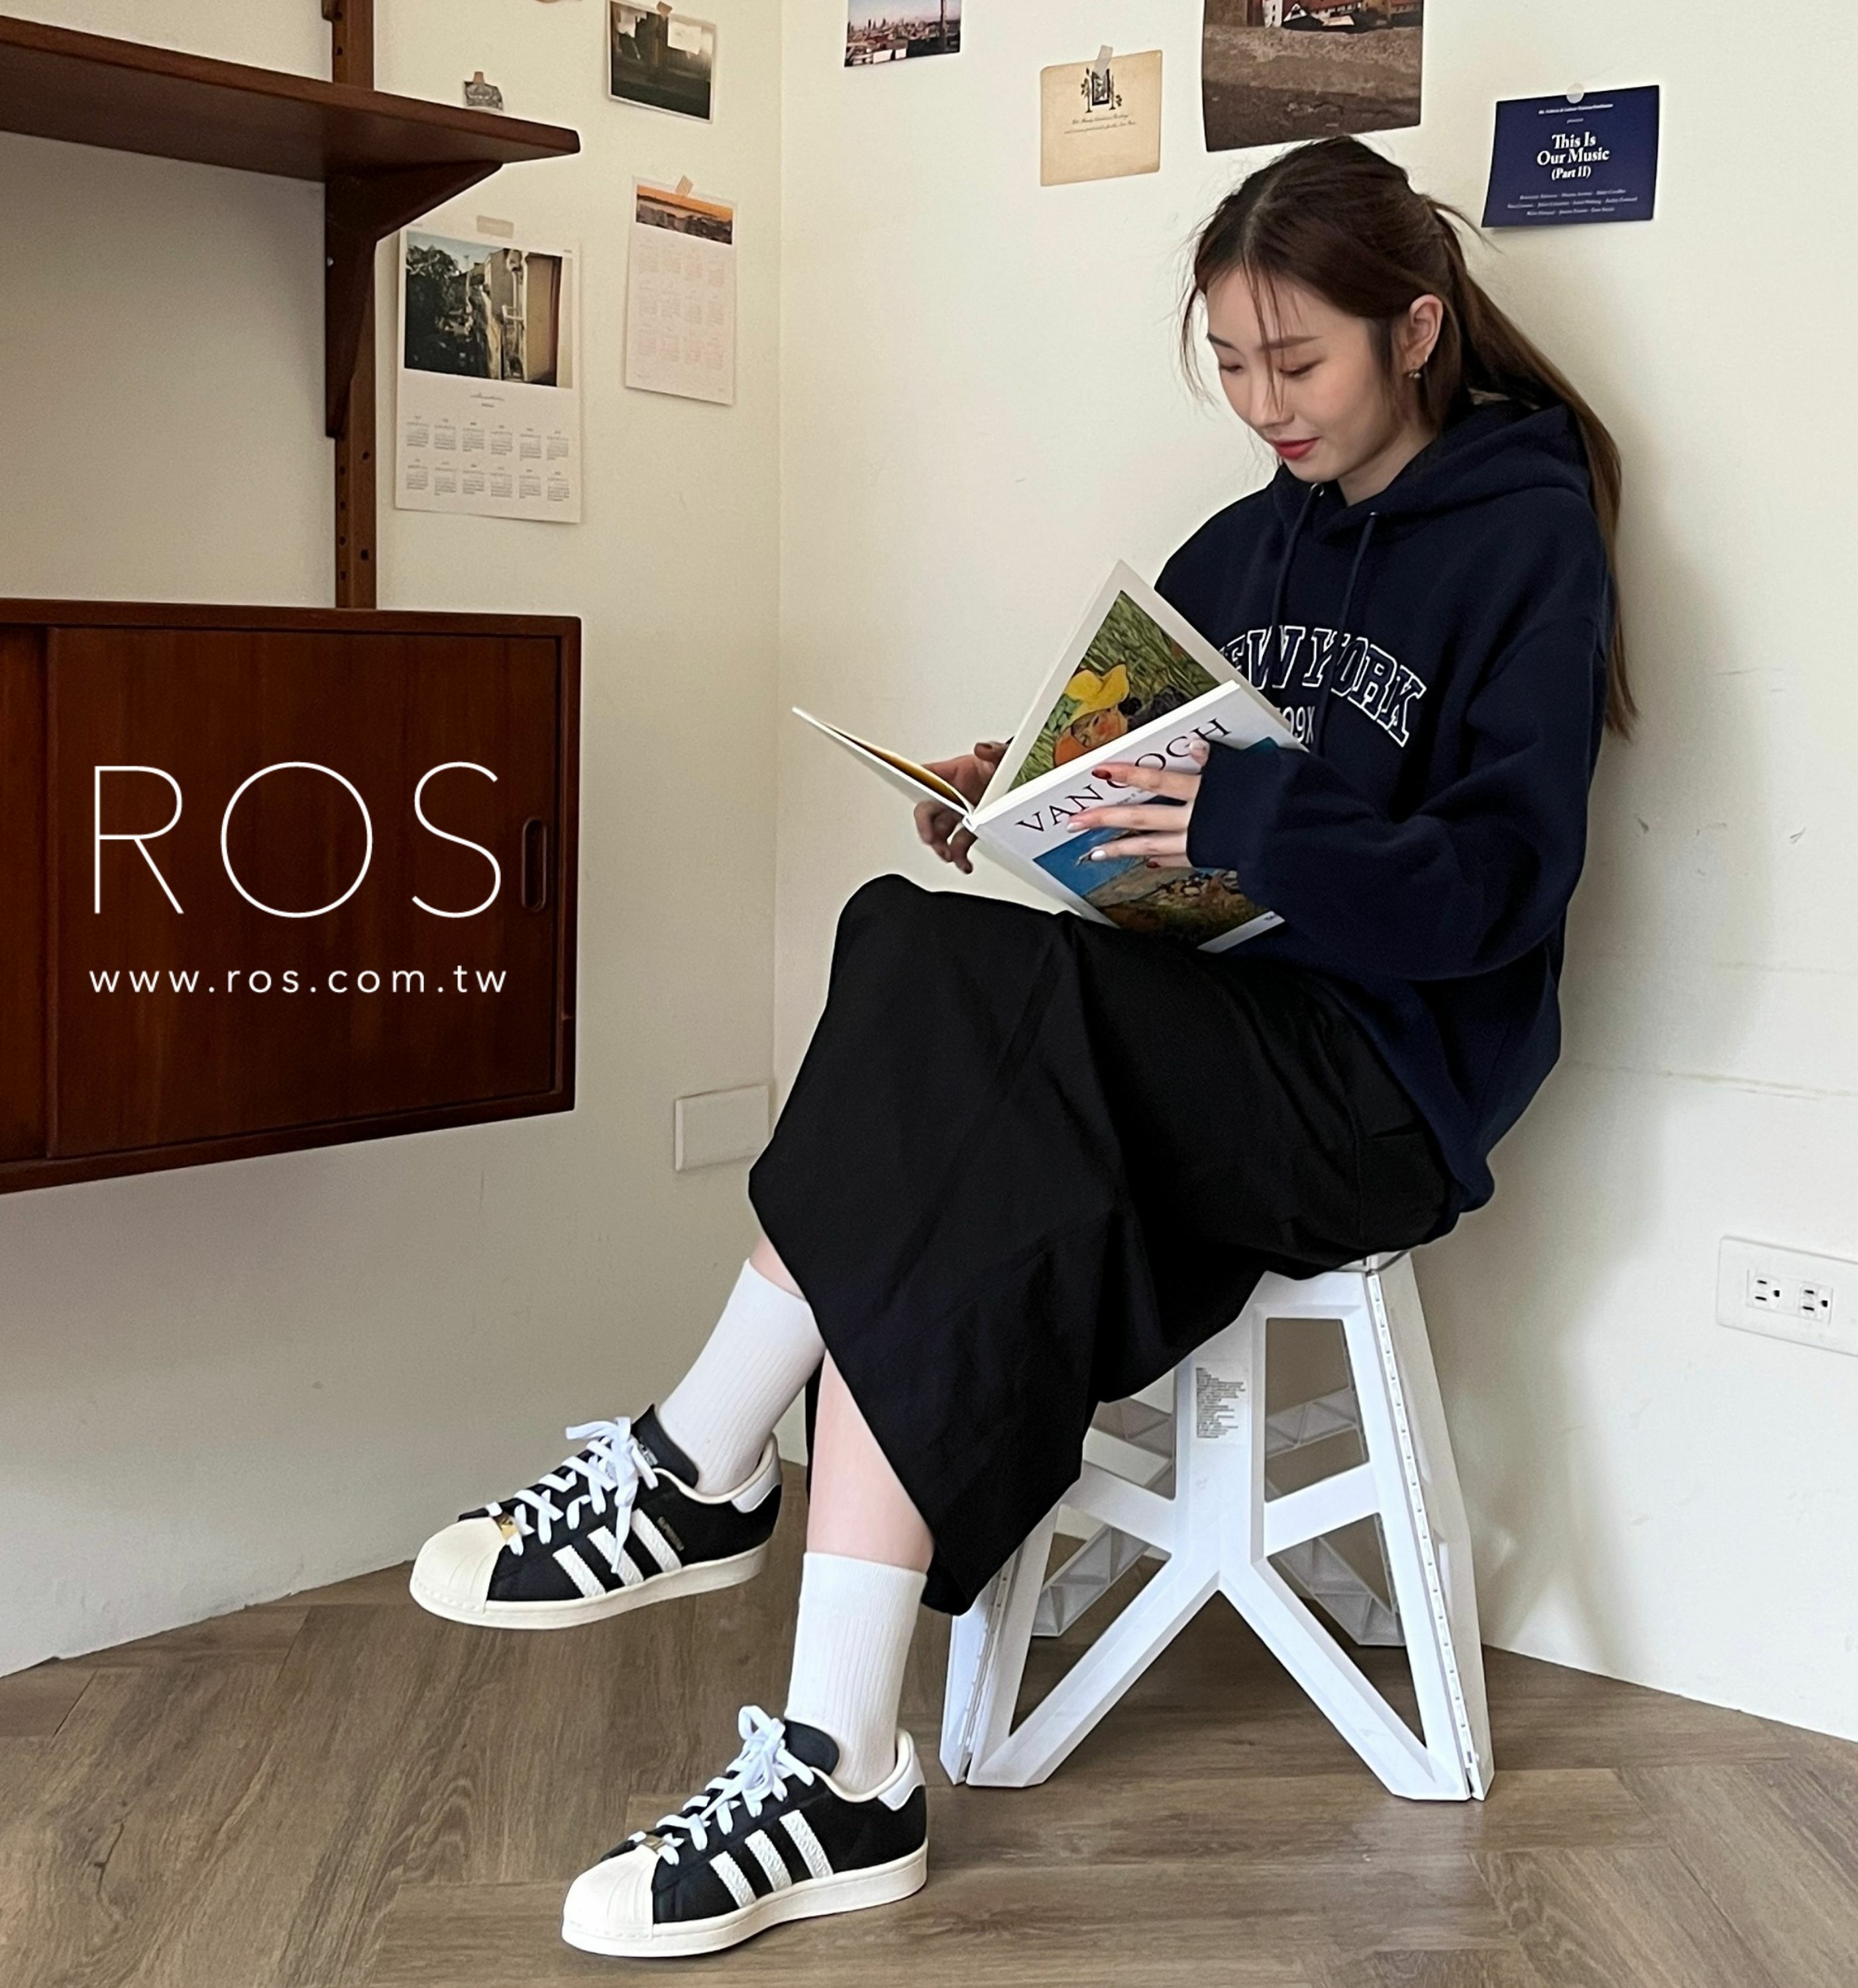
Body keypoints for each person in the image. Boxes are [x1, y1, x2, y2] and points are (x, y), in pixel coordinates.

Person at [409, 135, 1631, 1960]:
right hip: (1205, 1043)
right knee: (923, 989)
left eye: (1297, 360)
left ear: (1417, 330)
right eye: (1231, 362)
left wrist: (1250, 821)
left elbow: (1505, 894)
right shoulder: (1238, 548)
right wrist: (1028, 797)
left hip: (1381, 1090)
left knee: (933, 1003)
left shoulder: (1525, 534)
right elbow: (1153, 806)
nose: (1263, 403)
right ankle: (834, 1766)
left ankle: (701, 1465)